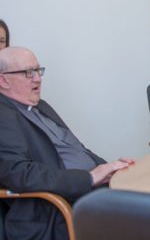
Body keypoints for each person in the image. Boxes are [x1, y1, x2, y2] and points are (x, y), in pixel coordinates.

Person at [0, 47, 134, 240]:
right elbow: (19, 173)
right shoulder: (3, 115)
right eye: (28, 72)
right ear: (3, 80)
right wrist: (89, 178)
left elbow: (76, 149)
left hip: (88, 192)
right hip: (54, 208)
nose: (37, 78)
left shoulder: (41, 106)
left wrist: (110, 168)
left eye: (38, 70)